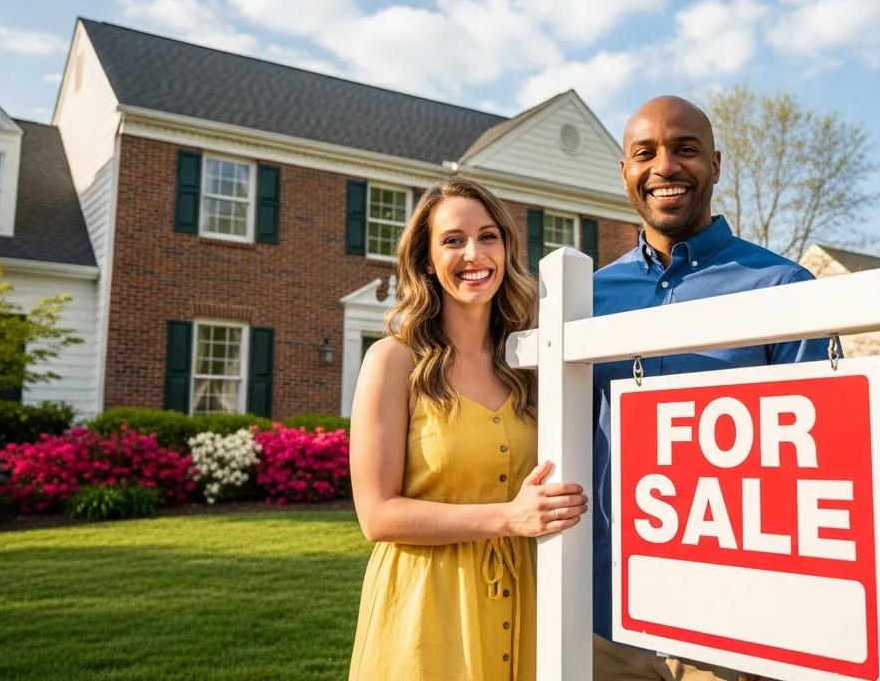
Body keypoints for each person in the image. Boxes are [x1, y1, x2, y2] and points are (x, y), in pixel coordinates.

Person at [591, 96, 831, 680]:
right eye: (644, 153)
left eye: (686, 149)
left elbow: (816, 467)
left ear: (717, 165)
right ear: (625, 171)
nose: (665, 166)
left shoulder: (784, 287)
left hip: (736, 622)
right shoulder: (587, 300)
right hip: (605, 615)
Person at [349, 177, 589, 681]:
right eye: (453, 240)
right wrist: (508, 518)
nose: (473, 254)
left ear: (506, 248)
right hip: (427, 608)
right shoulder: (393, 360)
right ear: (426, 261)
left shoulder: (528, 364)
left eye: (488, 236)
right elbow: (376, 515)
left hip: (525, 600)